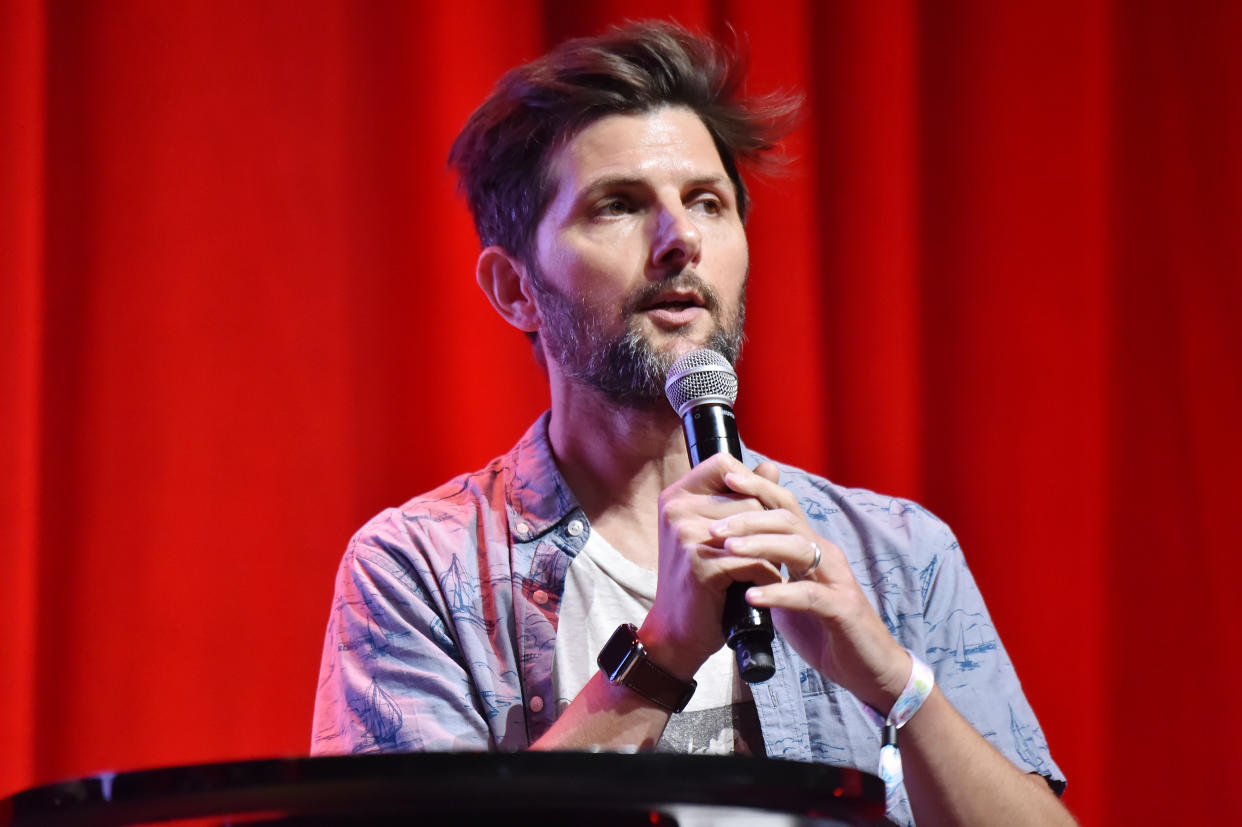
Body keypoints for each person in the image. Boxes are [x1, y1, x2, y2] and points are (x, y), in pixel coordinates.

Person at [312, 20, 1072, 826]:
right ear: (514, 288)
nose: (681, 240)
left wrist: (895, 681)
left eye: (706, 202)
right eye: (618, 206)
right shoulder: (420, 572)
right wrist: (660, 654)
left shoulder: (896, 553)